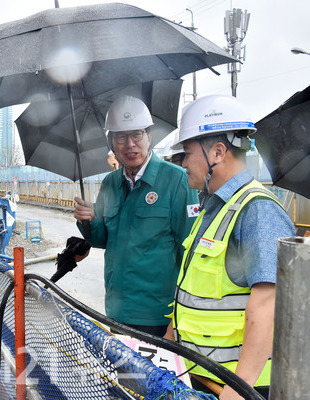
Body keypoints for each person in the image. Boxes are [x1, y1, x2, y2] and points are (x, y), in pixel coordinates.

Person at [165, 95, 296, 399]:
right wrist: (167, 348)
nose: (183, 163)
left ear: (218, 152)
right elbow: (190, 293)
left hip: (238, 387)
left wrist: (240, 389)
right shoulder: (213, 209)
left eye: (187, 153)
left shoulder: (257, 211)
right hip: (200, 378)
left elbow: (267, 306)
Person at [73, 96, 199, 337]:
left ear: (149, 136)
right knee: (126, 376)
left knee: (157, 376)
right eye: (121, 137)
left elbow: (190, 252)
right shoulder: (110, 183)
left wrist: (180, 316)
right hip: (117, 309)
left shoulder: (176, 180)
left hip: (159, 314)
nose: (130, 144)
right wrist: (88, 220)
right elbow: (101, 239)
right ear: (111, 142)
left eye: (137, 135)